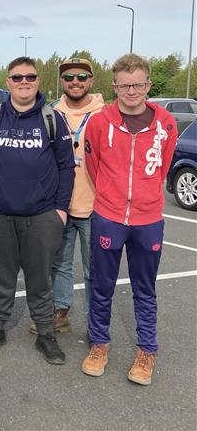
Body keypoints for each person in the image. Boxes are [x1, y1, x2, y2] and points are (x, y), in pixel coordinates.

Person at [81, 54, 178, 386]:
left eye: (138, 84)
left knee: (145, 289)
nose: (132, 91)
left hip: (148, 219)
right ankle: (99, 345)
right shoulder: (99, 122)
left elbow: (162, 168)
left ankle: (147, 351)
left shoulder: (166, 123)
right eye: (125, 85)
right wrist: (112, 194)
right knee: (102, 286)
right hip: (108, 216)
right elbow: (94, 167)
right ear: (115, 86)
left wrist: (145, 196)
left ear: (148, 84)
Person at [0, 56, 74, 365]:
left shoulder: (52, 118)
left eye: (30, 77)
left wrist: (60, 210)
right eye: (17, 78)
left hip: (42, 215)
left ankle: (46, 335)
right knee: (0, 276)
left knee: (40, 279)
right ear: (8, 82)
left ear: (38, 81)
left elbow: (66, 167)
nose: (24, 82)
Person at [30, 57, 104, 335]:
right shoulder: (50, 114)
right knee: (59, 264)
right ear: (62, 81)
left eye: (82, 77)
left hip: (96, 205)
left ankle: (95, 323)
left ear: (91, 81)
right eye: (69, 77)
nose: (75, 82)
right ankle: (60, 312)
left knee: (94, 268)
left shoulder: (104, 115)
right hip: (58, 205)